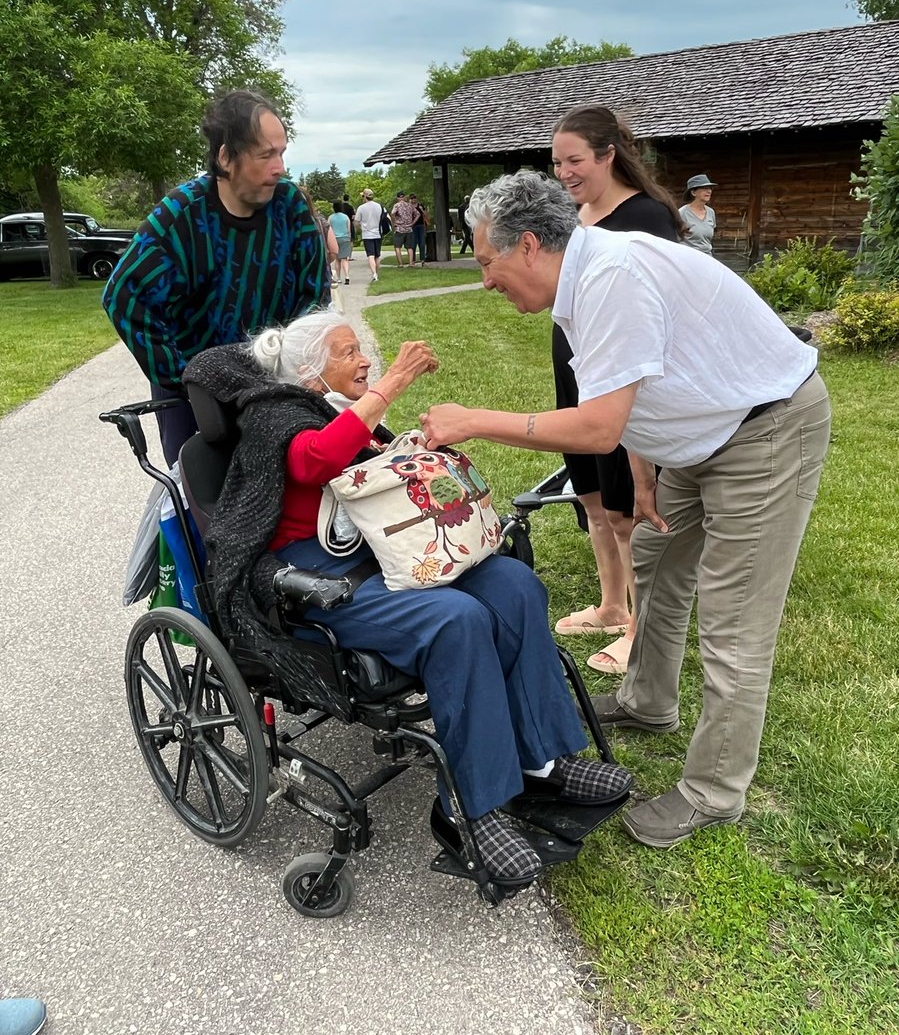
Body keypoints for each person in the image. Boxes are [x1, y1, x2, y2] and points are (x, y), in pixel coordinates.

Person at [421, 170, 831, 850]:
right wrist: (644, 474)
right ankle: (648, 701)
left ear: (527, 245)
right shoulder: (580, 276)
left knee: (734, 625)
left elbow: (595, 427)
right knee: (654, 558)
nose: (486, 281)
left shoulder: (611, 276)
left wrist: (472, 419)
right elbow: (632, 386)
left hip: (764, 433)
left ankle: (713, 792)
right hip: (700, 440)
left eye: (487, 262)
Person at [183, 309, 633, 883]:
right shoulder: (275, 413)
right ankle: (472, 808)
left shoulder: (345, 413)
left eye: (360, 350)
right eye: (348, 352)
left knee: (515, 585)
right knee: (456, 620)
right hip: (319, 582)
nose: (365, 359)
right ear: (310, 370)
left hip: (384, 555)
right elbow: (316, 458)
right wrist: (395, 381)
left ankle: (546, 759)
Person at [102, 89, 329, 467]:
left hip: (273, 383)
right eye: (266, 155)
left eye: (282, 152)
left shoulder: (290, 207)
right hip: (194, 396)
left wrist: (299, 370)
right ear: (226, 157)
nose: (281, 167)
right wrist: (184, 380)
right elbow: (124, 299)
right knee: (196, 495)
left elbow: (315, 299)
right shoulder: (180, 216)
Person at [551, 104, 682, 675]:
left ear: (609, 154)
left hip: (620, 376)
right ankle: (609, 605)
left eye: (574, 160)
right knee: (592, 496)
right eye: (557, 162)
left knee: (626, 506)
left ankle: (637, 628)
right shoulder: (580, 215)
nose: (564, 173)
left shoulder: (647, 216)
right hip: (577, 368)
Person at [679, 174, 718, 254]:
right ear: (693, 192)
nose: (709, 191)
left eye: (710, 188)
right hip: (688, 258)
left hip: (707, 257)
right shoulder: (682, 213)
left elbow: (709, 240)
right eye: (705, 188)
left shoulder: (711, 212)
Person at [354, 187, 383, 281]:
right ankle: (376, 273)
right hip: (378, 233)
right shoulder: (379, 206)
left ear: (365, 197)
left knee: (370, 255)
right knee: (377, 255)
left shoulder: (361, 208)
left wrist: (358, 228)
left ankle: (374, 274)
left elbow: (357, 222)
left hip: (367, 234)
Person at [328, 200, 353, 285]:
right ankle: (347, 276)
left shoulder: (331, 217)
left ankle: (338, 278)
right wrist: (349, 239)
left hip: (335, 239)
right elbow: (349, 229)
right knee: (345, 259)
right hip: (345, 238)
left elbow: (329, 229)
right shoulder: (345, 217)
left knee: (337, 260)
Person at [390, 191, 416, 268]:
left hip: (400, 229)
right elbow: (418, 214)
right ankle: (411, 263)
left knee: (397, 247)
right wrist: (412, 223)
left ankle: (400, 264)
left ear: (397, 198)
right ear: (404, 197)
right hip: (409, 228)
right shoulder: (410, 205)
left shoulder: (397, 205)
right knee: (410, 247)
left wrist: (395, 222)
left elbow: (392, 213)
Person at [409, 193, 429, 266]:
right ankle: (413, 260)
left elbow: (426, 214)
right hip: (413, 226)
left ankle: (423, 260)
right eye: (412, 198)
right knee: (413, 244)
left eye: (414, 198)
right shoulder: (409, 207)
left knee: (422, 243)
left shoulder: (420, 205)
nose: (413, 200)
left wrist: (421, 209)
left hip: (421, 226)